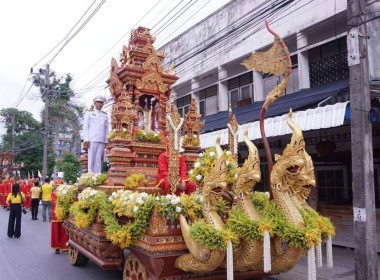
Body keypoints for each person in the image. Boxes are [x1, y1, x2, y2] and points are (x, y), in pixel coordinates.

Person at [83, 96, 108, 173]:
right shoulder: (89, 113)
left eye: (101, 103)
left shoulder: (105, 115)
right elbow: (86, 126)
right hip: (92, 139)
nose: (100, 104)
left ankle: (97, 175)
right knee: (91, 158)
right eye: (98, 102)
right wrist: (86, 139)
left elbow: (106, 128)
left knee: (98, 159)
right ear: (94, 103)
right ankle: (90, 174)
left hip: (101, 139)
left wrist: (106, 140)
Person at [51, 190, 69, 254]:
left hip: (63, 216)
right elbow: (54, 202)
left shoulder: (65, 194)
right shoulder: (53, 194)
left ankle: (64, 247)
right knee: (56, 232)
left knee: (64, 232)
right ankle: (57, 247)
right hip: (55, 216)